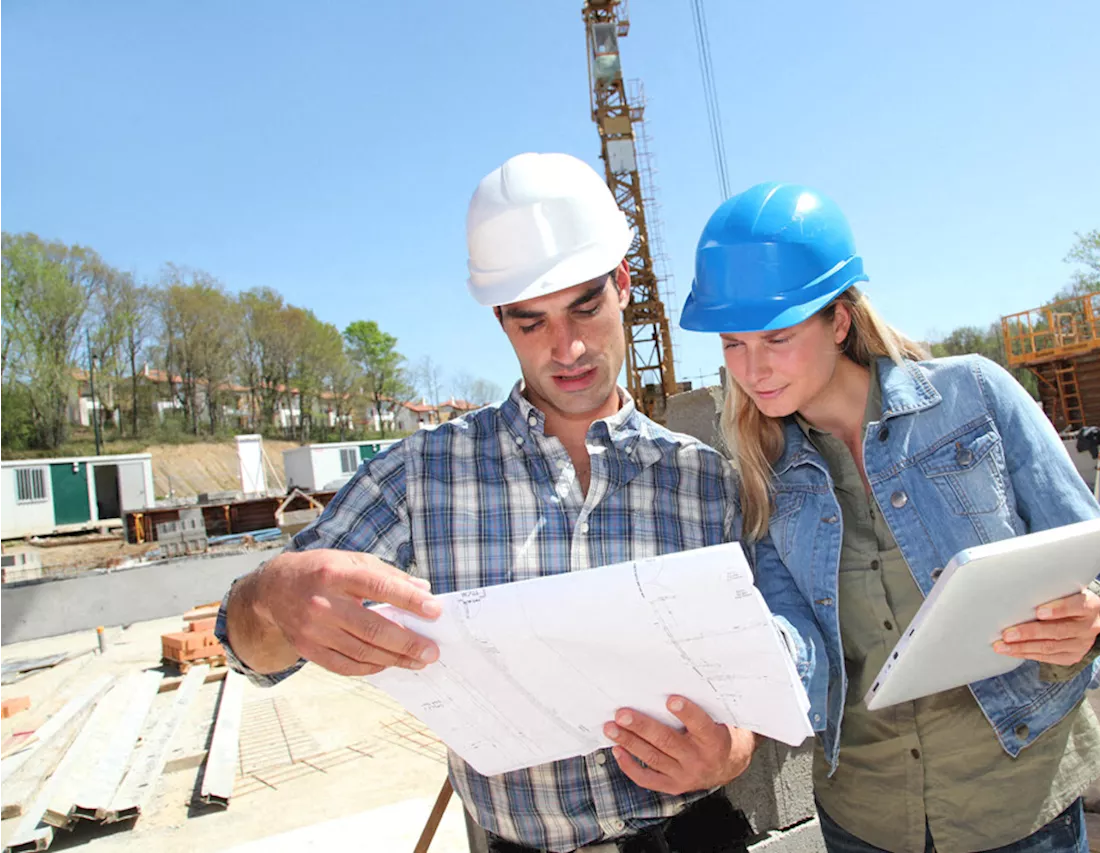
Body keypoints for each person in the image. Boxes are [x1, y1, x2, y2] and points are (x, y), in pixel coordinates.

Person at [214, 153, 759, 853]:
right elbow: (247, 648)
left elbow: (759, 675)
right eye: (532, 322)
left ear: (623, 284)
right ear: (501, 318)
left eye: (585, 306)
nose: (567, 347)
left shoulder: (703, 481)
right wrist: (269, 596)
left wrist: (735, 749)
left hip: (695, 837)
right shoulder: (421, 477)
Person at [673, 182, 1100, 853]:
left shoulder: (974, 397)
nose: (753, 370)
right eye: (734, 344)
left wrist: (1089, 614)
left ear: (839, 321)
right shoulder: (765, 477)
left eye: (776, 337)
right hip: (866, 815)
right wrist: (734, 694)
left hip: (1018, 794)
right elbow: (792, 630)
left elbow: (1099, 559)